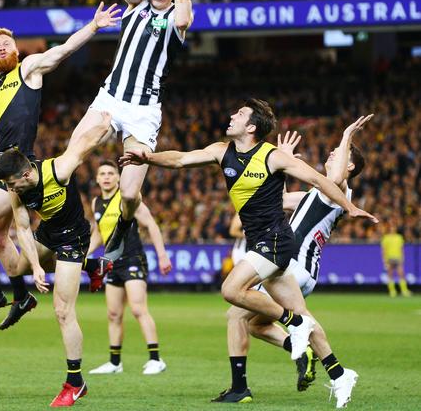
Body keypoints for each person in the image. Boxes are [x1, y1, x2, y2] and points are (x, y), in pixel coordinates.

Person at [121, 99, 378, 407]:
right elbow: (180, 159)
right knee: (266, 322)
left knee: (232, 292)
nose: (231, 115)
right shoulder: (224, 152)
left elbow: (328, 180)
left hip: (281, 246)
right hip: (276, 249)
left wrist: (350, 203)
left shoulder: (304, 172)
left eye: (240, 114)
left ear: (252, 126)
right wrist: (148, 157)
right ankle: (338, 373)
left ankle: (267, 356)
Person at [0, 3, 121, 326]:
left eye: (7, 43)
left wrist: (93, 26)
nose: (2, 47)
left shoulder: (28, 70)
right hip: (4, 168)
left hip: (20, 168)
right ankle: (83, 271)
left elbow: (63, 50)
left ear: (16, 51)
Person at [67, 0, 197, 261]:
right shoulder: (136, 5)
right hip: (110, 97)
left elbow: (183, 18)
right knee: (72, 152)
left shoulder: (172, 20)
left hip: (144, 110)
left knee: (128, 193)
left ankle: (124, 227)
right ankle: (64, 226)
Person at [224, 115, 371, 400]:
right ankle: (325, 365)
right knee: (256, 323)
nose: (332, 153)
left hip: (293, 263)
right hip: (300, 267)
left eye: (340, 155)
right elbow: (277, 200)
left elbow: (336, 177)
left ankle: (241, 387)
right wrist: (282, 166)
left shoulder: (339, 189)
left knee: (250, 312)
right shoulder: (315, 195)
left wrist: (346, 135)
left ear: (350, 165)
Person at [0, 112, 111, 407]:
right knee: (17, 269)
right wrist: (34, 266)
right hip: (47, 232)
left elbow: (83, 144)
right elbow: (21, 228)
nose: (10, 189)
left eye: (12, 184)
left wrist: (109, 122)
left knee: (62, 310)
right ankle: (93, 266)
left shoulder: (58, 170)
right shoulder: (15, 190)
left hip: (73, 237)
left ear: (27, 175)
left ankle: (75, 382)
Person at [86, 160, 172, 376]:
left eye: (110, 173)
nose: (106, 177)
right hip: (112, 263)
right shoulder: (96, 202)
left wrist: (162, 256)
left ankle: (156, 359)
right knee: (113, 314)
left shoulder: (128, 199)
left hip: (133, 258)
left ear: (118, 178)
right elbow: (99, 232)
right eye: (102, 173)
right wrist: (84, 253)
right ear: (97, 179)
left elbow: (150, 224)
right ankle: (115, 363)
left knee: (137, 309)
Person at [381, 219, 412, 297]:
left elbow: (401, 249)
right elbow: (384, 250)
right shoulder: (386, 238)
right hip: (390, 258)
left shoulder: (399, 237)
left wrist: (403, 257)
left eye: (393, 227)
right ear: (389, 229)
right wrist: (384, 260)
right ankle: (392, 291)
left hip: (398, 257)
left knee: (401, 274)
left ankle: (404, 290)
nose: (392, 229)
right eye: (391, 227)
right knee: (390, 274)